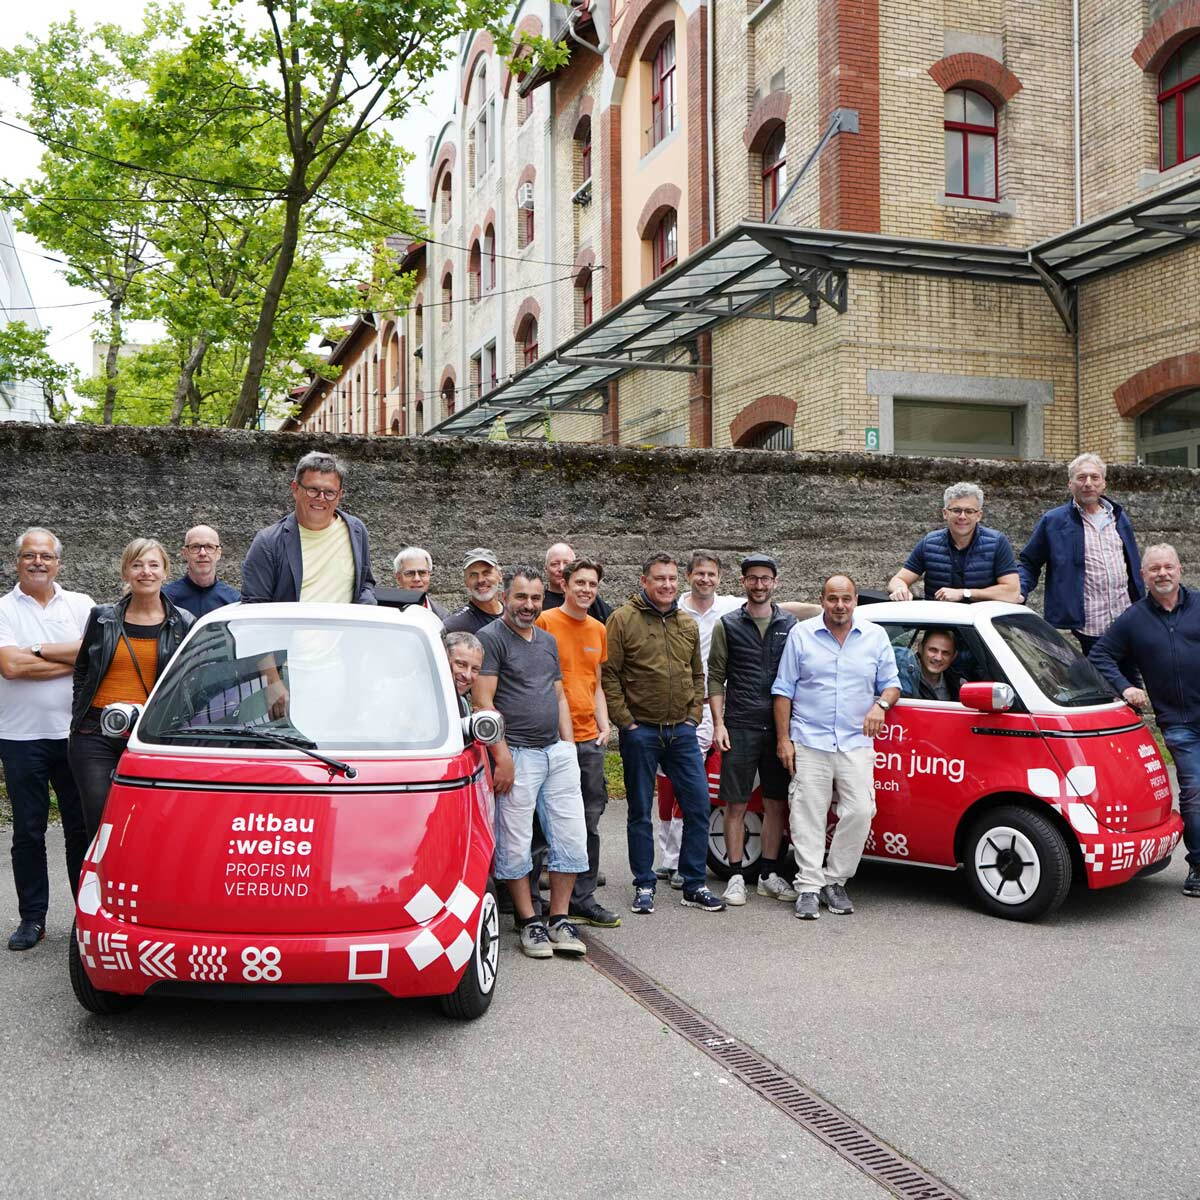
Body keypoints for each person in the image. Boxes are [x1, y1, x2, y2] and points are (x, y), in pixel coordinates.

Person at [473, 566, 590, 958]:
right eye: (521, 597)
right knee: (516, 840)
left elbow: (558, 695)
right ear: (506, 596)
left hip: (555, 752)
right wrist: (501, 756)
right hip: (518, 754)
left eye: (536, 598)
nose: (528, 605)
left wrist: (568, 746)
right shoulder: (490, 639)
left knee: (570, 836)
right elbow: (483, 703)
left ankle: (558, 917)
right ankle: (528, 922)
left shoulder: (547, 640)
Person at [603, 552, 726, 914]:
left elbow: (698, 674)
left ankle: (693, 883)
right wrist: (626, 722)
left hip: (682, 732)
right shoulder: (622, 620)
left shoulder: (686, 623)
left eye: (672, 579)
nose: (668, 585)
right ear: (644, 581)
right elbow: (609, 674)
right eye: (660, 579)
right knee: (641, 809)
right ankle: (643, 883)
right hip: (641, 732)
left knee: (699, 806)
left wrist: (693, 715)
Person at [772, 573, 900, 920]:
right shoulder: (802, 635)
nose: (839, 605)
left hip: (855, 742)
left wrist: (881, 706)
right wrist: (784, 740)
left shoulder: (874, 637)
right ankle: (809, 887)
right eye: (832, 599)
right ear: (823, 599)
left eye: (846, 598)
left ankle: (835, 879)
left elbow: (891, 685)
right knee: (807, 814)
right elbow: (783, 690)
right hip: (809, 740)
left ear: (855, 599)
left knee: (861, 811)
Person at [0, 528, 93, 951]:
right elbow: (11, 669)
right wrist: (64, 655)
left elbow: (91, 654)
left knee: (82, 830)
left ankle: (85, 918)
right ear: (16, 561)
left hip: (74, 734)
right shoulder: (2, 609)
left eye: (46, 556)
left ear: (59, 562)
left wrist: (32, 649)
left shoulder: (81, 605)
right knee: (28, 831)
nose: (38, 562)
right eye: (29, 555)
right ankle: (32, 919)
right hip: (19, 737)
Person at [1090, 544, 1200, 898]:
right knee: (1196, 794)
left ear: (1180, 569)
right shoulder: (1134, 619)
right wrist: (1125, 687)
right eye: (1155, 569)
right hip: (1179, 723)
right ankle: (1198, 867)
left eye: (1168, 567)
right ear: (1143, 576)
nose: (1162, 574)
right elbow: (1100, 654)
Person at [68, 539, 194, 839]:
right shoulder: (102, 617)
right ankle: (98, 886)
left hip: (150, 737)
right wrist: (80, 714)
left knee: (148, 825)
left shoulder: (184, 623)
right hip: (94, 735)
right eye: (137, 565)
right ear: (125, 571)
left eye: (153, 565)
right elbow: (82, 669)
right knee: (100, 824)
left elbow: (188, 683)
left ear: (165, 571)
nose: (145, 572)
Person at [707, 553, 798, 907]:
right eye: (753, 578)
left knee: (776, 803)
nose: (759, 585)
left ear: (775, 582)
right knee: (736, 803)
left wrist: (787, 733)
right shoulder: (727, 625)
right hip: (740, 725)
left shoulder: (789, 624)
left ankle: (769, 875)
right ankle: (734, 876)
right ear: (743, 582)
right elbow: (716, 676)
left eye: (765, 579)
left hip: (778, 728)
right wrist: (719, 723)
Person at [536, 557, 619, 928]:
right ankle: (536, 903)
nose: (586, 590)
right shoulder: (546, 622)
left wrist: (605, 725)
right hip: (550, 740)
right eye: (580, 583)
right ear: (565, 585)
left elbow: (596, 683)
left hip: (589, 741)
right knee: (541, 822)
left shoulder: (598, 629)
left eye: (593, 585)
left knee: (589, 820)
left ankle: (583, 898)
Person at [1018, 453, 1143, 656]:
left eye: (1094, 477)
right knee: (1102, 681)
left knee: (1131, 680)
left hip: (1126, 619)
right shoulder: (1054, 521)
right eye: (1081, 477)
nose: (1088, 483)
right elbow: (1029, 562)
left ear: (1103, 484)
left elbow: (1131, 563)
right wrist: (1019, 591)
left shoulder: (1119, 517)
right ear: (1070, 484)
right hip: (1090, 625)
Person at [241, 450, 376, 604]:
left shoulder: (356, 530)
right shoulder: (268, 543)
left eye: (330, 492)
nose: (321, 498)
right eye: (313, 490)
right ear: (295, 489)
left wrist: (367, 604)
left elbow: (365, 581)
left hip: (344, 628)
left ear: (340, 495)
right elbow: (255, 605)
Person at [887, 483, 1020, 604]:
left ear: (979, 515)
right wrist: (900, 589)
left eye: (969, 511)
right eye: (956, 510)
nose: (962, 516)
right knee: (938, 633)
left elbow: (1012, 592)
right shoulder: (929, 543)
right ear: (945, 513)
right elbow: (898, 580)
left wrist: (964, 593)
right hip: (944, 622)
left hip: (982, 621)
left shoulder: (996, 542)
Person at [162, 525, 239, 618]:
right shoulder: (166, 599)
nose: (202, 553)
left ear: (218, 553)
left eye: (209, 547)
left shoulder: (234, 601)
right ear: (185, 553)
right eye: (195, 547)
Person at [541, 542, 612, 622]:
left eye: (566, 563)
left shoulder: (592, 602)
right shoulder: (539, 603)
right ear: (546, 569)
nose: (561, 568)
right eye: (555, 564)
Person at [443, 548, 505, 634]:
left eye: (486, 572)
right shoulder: (455, 626)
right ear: (466, 582)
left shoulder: (515, 615)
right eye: (473, 575)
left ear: (500, 575)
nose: (480, 580)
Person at [896, 628, 962, 701]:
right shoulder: (902, 678)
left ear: (953, 656)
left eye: (945, 653)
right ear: (920, 648)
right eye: (933, 650)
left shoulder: (958, 683)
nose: (938, 658)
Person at [394, 546, 449, 620]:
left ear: (429, 575)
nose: (416, 579)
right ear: (398, 578)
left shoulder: (443, 616)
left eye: (422, 572)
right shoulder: (386, 612)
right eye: (409, 573)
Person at [444, 630, 484, 697]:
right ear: (444, 659)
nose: (467, 676)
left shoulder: (463, 703)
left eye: (474, 669)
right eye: (461, 664)